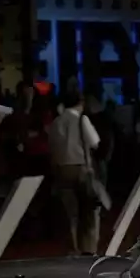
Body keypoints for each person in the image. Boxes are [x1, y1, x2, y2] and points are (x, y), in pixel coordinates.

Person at [48, 91, 104, 256]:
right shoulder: (81, 120)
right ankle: (88, 248)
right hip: (81, 169)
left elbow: (51, 146)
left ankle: (73, 248)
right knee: (89, 210)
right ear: (81, 103)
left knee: (70, 212)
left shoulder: (56, 122)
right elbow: (94, 142)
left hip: (62, 170)